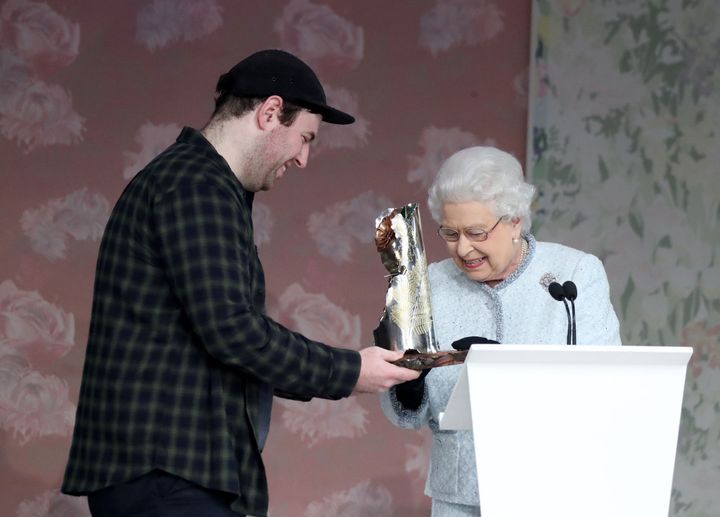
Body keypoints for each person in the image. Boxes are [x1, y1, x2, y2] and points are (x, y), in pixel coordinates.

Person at [61, 49, 419, 517]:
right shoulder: (196, 185)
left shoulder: (195, 184)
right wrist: (351, 371)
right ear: (270, 113)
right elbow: (232, 330)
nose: (304, 158)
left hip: (170, 474)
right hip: (167, 475)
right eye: (305, 138)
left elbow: (224, 336)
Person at [380, 146, 621, 517]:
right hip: (458, 497)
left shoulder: (574, 276)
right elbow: (404, 417)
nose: (463, 248)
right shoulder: (427, 286)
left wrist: (508, 370)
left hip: (553, 492)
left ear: (515, 222)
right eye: (449, 232)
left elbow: (608, 389)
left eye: (476, 232)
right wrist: (408, 384)